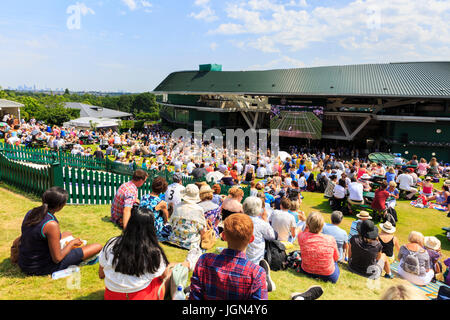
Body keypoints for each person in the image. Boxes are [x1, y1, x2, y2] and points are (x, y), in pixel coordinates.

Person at [99, 206, 180, 300]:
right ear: (151, 227)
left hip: (111, 296)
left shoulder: (112, 243)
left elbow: (101, 274)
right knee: (169, 273)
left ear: (130, 222)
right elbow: (163, 276)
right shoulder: (153, 251)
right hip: (141, 297)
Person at [18, 187, 102, 276]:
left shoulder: (32, 212)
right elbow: (57, 258)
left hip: (25, 262)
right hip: (40, 267)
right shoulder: (51, 224)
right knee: (97, 246)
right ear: (60, 206)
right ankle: (84, 260)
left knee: (67, 233)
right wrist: (71, 244)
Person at [189, 214, 268, 300]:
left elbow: (194, 296)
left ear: (223, 236)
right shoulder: (256, 273)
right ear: (251, 239)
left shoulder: (204, 260)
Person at [297, 212, 340, 283]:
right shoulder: (331, 239)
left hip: (307, 271)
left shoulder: (301, 236)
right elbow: (336, 258)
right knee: (335, 263)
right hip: (329, 276)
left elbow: (304, 233)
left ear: (307, 225)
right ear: (322, 225)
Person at [168, 184, 206, 251]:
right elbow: (202, 230)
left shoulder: (177, 206)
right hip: (190, 243)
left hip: (174, 240)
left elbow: (171, 223)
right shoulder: (199, 209)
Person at [243, 197, 276, 267]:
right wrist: (265, 219)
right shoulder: (262, 224)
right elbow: (272, 236)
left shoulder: (238, 219)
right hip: (255, 260)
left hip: (240, 256)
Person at [140, 177, 170, 241]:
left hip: (141, 225)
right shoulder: (161, 203)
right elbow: (166, 219)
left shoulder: (143, 197)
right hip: (152, 228)